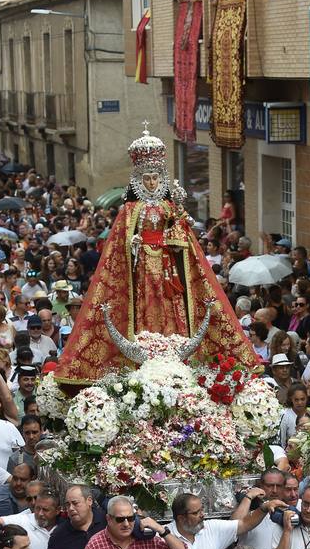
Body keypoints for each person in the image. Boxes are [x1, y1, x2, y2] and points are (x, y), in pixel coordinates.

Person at [55, 128, 256, 386]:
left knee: (171, 299)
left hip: (167, 264)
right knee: (145, 298)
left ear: (161, 178)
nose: (151, 183)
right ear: (139, 179)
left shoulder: (168, 207)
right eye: (146, 178)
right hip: (141, 267)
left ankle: (175, 336)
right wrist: (134, 244)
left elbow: (182, 235)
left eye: (155, 177)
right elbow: (119, 245)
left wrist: (177, 232)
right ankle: (146, 339)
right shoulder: (130, 210)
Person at [48, 485, 107, 549]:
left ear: (89, 501)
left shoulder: (107, 522)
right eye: (67, 505)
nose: (71, 508)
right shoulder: (58, 536)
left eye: (75, 503)